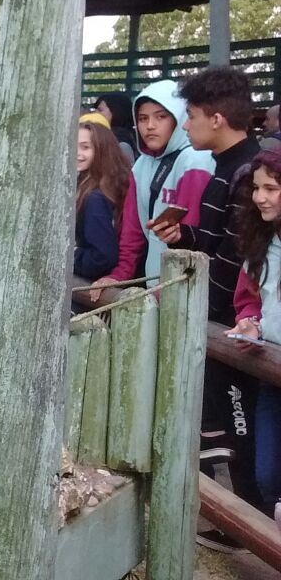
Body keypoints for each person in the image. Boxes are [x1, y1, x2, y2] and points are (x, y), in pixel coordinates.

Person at [165, 67, 265, 528]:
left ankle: (249, 525)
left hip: (232, 327)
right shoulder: (224, 167)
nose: (186, 126)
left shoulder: (248, 174)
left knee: (242, 433)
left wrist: (206, 315)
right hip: (216, 320)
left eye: (191, 115)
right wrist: (183, 236)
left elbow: (237, 260)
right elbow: (215, 245)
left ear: (217, 118)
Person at [92, 80, 215, 293]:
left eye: (161, 117)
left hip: (190, 289)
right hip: (155, 285)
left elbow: (195, 241)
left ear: (179, 118)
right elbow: (132, 233)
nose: (150, 125)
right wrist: (118, 276)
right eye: (142, 118)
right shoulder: (141, 164)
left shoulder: (196, 161)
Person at [226, 147, 281, 531]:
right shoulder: (260, 243)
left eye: (271, 189)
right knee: (268, 474)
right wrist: (249, 323)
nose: (260, 197)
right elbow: (249, 299)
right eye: (257, 189)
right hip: (271, 374)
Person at [74, 121, 130, 280]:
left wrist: (71, 256)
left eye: (85, 147)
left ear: (102, 150)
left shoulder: (95, 198)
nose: (77, 153)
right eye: (74, 146)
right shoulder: (105, 185)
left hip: (95, 282)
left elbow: (102, 257)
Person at [95, 92, 138, 163]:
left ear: (115, 111)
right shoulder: (132, 137)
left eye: (100, 110)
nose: (95, 113)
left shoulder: (120, 143)